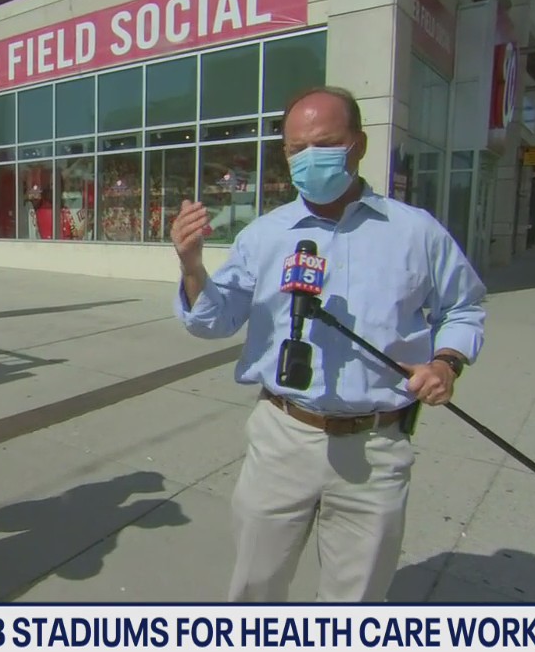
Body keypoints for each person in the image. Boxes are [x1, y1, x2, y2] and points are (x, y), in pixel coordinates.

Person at [170, 86, 487, 603]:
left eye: (325, 143)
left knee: (357, 601)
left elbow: (464, 306)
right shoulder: (265, 234)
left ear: (358, 145)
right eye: (296, 149)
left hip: (375, 446)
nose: (308, 159)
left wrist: (446, 363)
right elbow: (213, 320)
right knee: (255, 587)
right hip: (283, 435)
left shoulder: (416, 233)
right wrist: (191, 267)